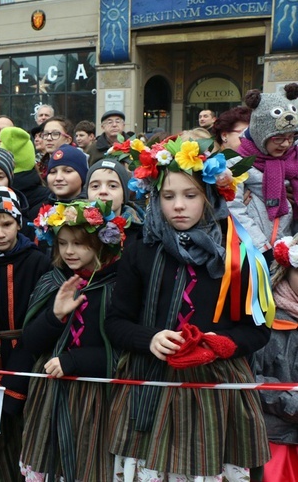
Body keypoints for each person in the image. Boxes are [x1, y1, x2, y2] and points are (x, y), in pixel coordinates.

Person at [105, 137, 272, 480]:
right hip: (150, 384)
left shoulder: (238, 251)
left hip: (216, 392)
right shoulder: (141, 250)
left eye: (190, 195)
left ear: (209, 196)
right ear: (156, 198)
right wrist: (148, 338)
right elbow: (115, 321)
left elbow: (258, 329)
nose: (178, 205)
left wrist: (222, 344)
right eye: (168, 196)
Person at [21, 200, 126, 481]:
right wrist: (55, 316)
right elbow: (30, 342)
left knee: (92, 467)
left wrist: (74, 360)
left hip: (99, 399)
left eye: (79, 243)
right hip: (51, 396)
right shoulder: (53, 280)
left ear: (101, 242)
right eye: (63, 243)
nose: (69, 251)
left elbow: (125, 353)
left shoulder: (118, 285)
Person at [0, 186, 51, 482]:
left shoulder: (37, 260)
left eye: (7, 224)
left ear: (19, 222)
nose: (0, 233)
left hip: (29, 349)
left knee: (27, 418)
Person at [228, 84, 298, 258]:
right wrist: (261, 247)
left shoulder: (293, 159)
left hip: (288, 249)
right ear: (260, 135)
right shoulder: (238, 163)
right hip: (253, 252)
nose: (285, 144)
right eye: (278, 139)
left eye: (290, 138)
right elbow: (234, 207)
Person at [253, 234, 298, 481]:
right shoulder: (264, 317)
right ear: (285, 272)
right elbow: (250, 377)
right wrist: (292, 403)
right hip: (276, 439)